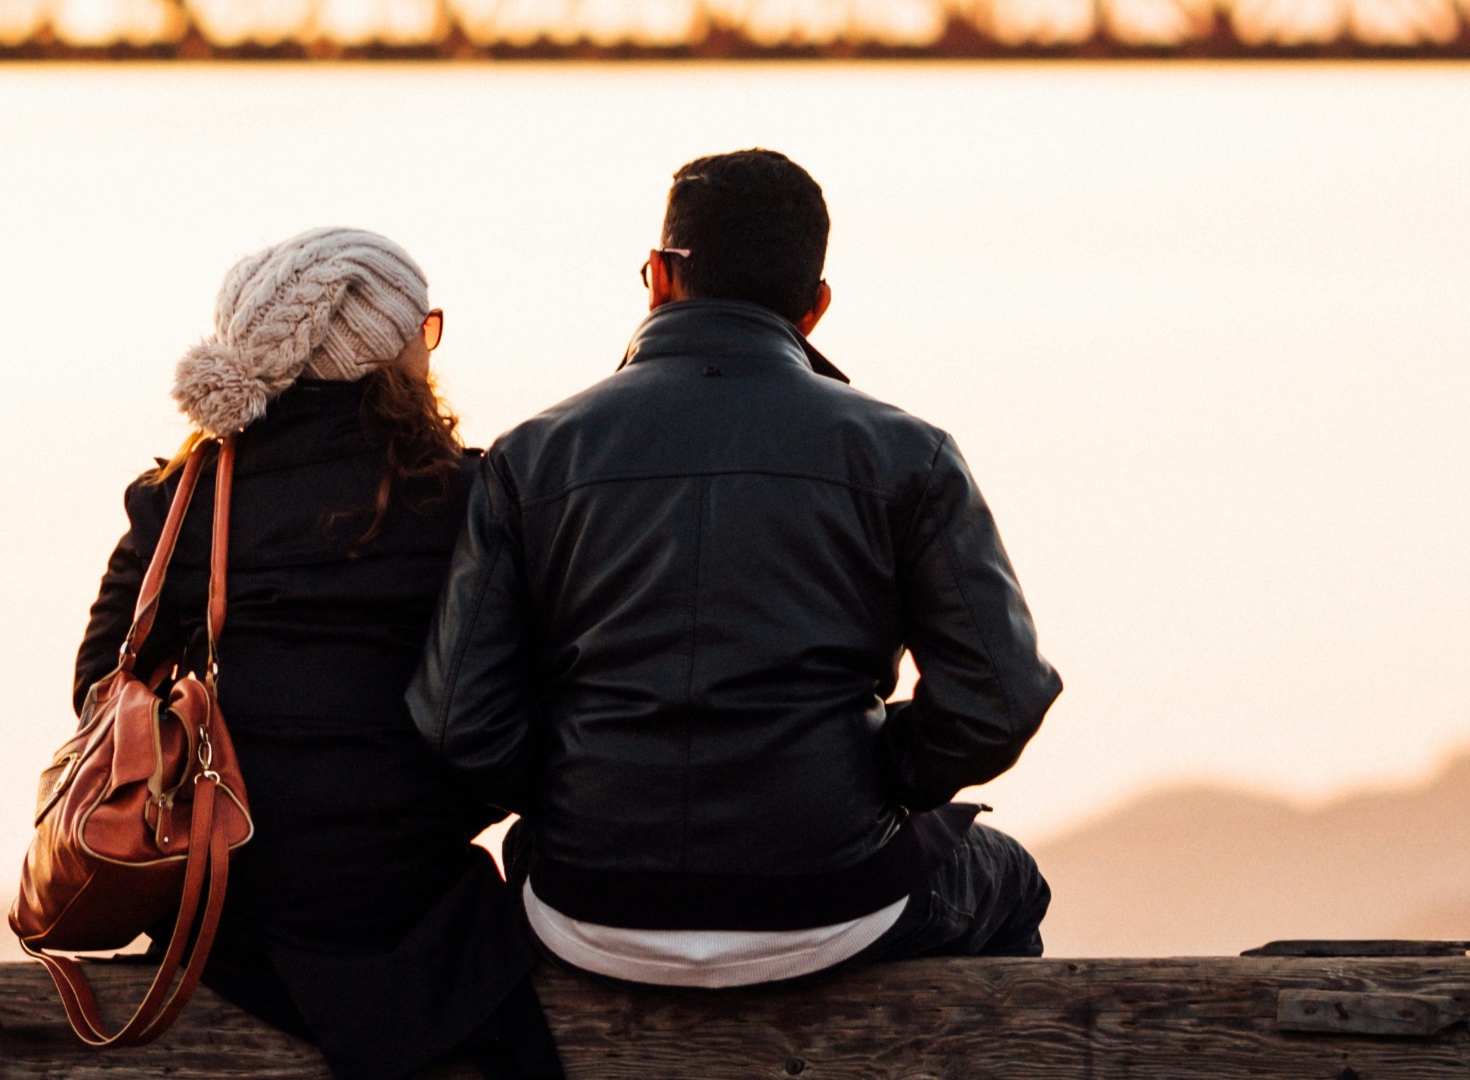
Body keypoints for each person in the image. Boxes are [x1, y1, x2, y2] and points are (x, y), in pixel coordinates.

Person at [409, 149, 1062, 989]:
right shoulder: (909, 455)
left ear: (660, 276)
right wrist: (884, 777)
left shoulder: (531, 457)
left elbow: (457, 715)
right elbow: (1000, 700)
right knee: (1011, 882)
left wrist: (576, 781)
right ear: (816, 307)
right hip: (831, 898)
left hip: (589, 903)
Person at [74, 227, 563, 1079]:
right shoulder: (466, 495)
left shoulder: (186, 500)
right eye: (426, 330)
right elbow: (510, 695)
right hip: (409, 882)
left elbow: (100, 689)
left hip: (234, 887)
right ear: (386, 354)